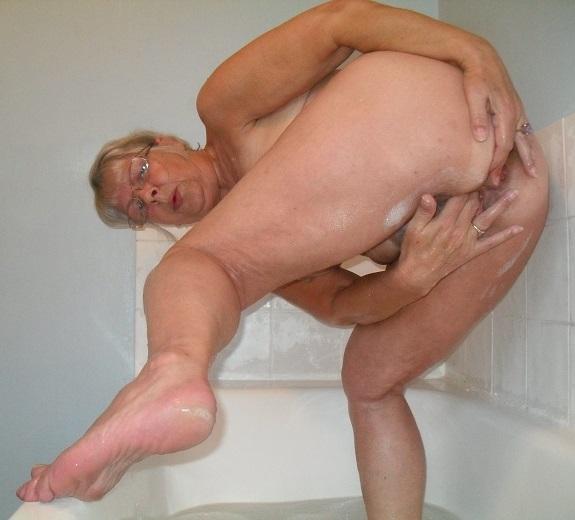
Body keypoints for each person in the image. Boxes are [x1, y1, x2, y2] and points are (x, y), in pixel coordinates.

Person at [17, 1, 548, 519]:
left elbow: (340, 21)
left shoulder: (224, 110)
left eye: (141, 172)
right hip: (513, 199)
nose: (150, 194)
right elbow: (341, 304)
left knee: (195, 265)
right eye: (139, 208)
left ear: (168, 142)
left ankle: (170, 374)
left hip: (444, 112)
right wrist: (409, 280)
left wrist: (475, 53)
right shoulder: (268, 250)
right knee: (369, 381)